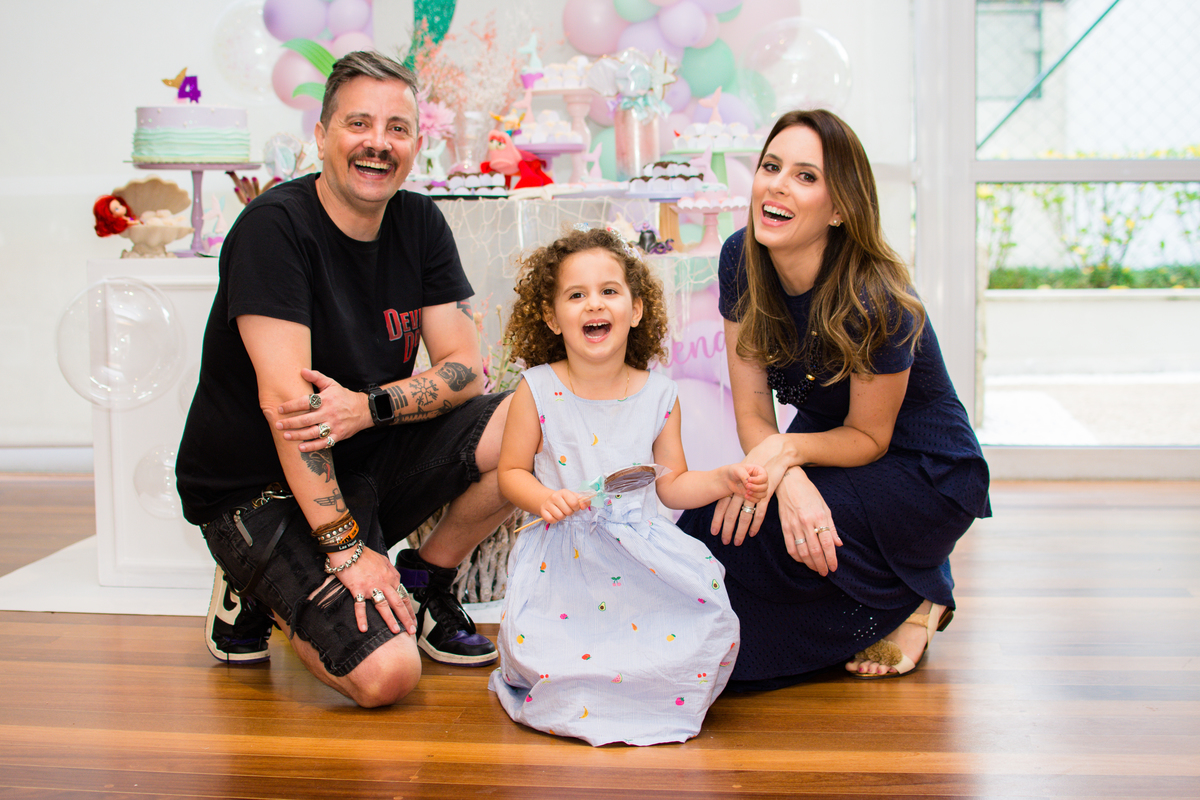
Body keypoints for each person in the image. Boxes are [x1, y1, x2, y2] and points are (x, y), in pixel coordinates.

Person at [176, 51, 512, 708]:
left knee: (533, 420)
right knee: (388, 675)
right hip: (257, 490)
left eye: (397, 128)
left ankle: (428, 577)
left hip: (360, 457)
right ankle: (255, 583)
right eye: (359, 124)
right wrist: (346, 549)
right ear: (323, 135)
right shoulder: (275, 229)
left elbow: (466, 369)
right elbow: (291, 409)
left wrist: (370, 407)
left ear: (418, 143)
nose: (378, 144)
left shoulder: (419, 222)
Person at [676, 109, 991, 688]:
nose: (776, 184)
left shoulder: (876, 296)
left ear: (841, 207)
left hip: (921, 469)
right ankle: (910, 580)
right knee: (711, 526)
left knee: (769, 534)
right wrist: (788, 478)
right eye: (771, 166)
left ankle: (915, 600)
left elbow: (871, 438)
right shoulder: (739, 259)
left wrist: (786, 463)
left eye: (805, 176)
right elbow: (752, 411)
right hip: (821, 449)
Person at [490, 227, 766, 746]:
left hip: (639, 557)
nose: (594, 304)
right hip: (563, 561)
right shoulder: (537, 389)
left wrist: (725, 477)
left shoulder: (660, 394)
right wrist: (545, 498)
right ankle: (587, 685)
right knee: (555, 653)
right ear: (551, 317)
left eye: (609, 291)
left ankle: (644, 689)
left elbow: (673, 486)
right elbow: (511, 473)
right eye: (576, 295)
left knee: (703, 618)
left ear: (636, 310)